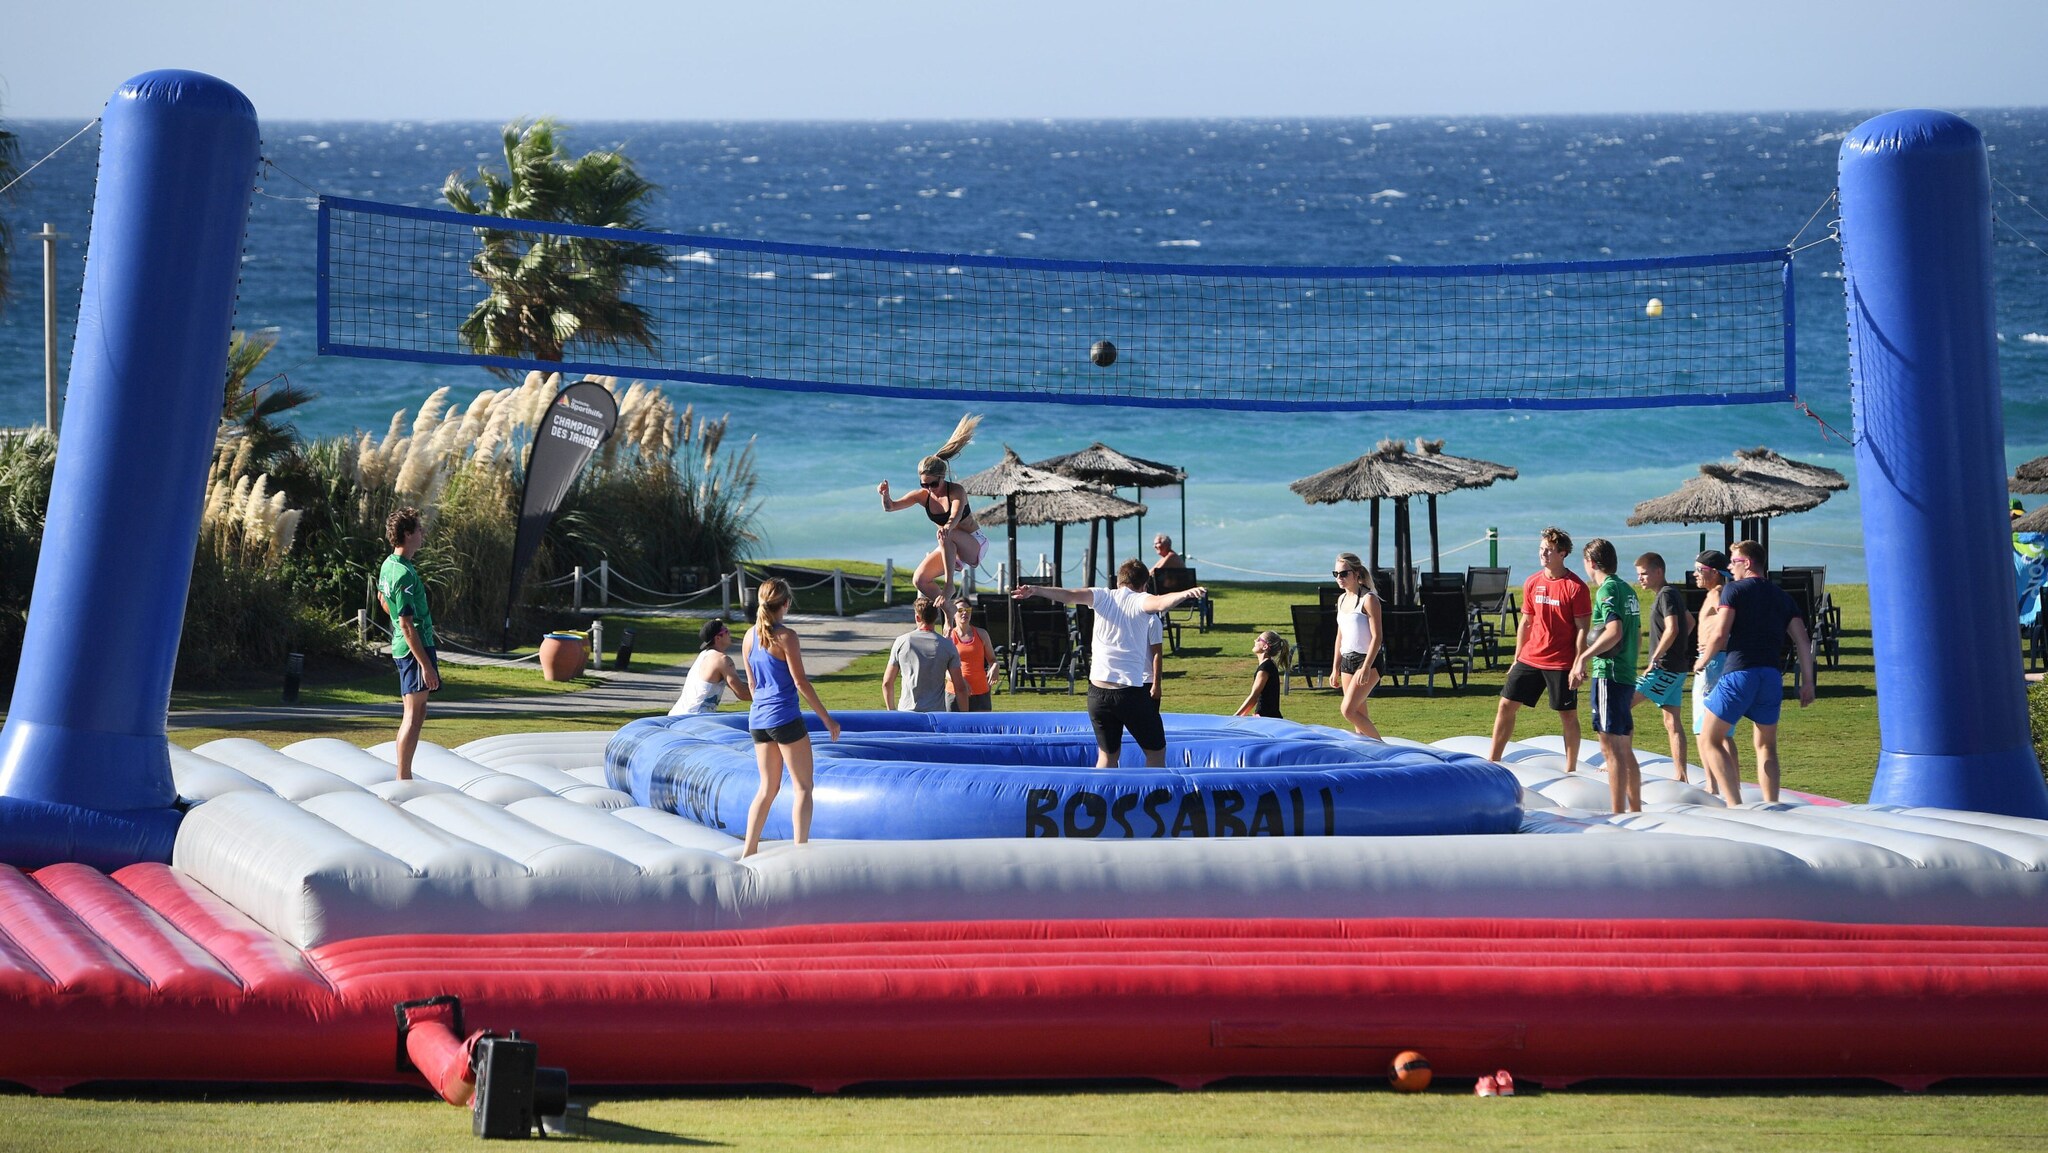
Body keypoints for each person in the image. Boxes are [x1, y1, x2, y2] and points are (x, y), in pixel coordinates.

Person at [1014, 559, 1207, 768]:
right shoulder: (1140, 600)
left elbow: (1069, 595)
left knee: (1107, 757)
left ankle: (1099, 791)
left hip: (1097, 693)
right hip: (1128, 693)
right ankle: (1151, 790)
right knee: (1156, 753)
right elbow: (1161, 602)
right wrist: (1185, 593)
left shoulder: (1102, 596)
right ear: (1144, 585)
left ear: (1118, 582)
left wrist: (1036, 590)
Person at [1694, 540, 1816, 806]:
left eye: (1733, 561)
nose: (1729, 567)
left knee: (1709, 738)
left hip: (1740, 672)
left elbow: (1721, 633)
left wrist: (1703, 660)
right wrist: (1808, 682)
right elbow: (1802, 641)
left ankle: (1735, 805)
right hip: (1770, 677)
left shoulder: (1733, 590)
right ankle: (1772, 805)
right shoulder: (1783, 597)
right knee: (1766, 746)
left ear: (1747, 563)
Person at [740, 578, 840, 858]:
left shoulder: (749, 637)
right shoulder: (786, 637)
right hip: (784, 717)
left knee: (767, 788)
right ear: (785, 603)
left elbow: (752, 685)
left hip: (758, 720)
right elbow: (800, 682)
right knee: (803, 787)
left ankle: (748, 851)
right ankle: (800, 851)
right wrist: (827, 720)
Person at [1487, 527, 1592, 772]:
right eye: (1541, 549)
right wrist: (1517, 658)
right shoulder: (1533, 582)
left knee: (1567, 715)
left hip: (1561, 662)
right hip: (1531, 657)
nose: (1543, 554)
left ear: (1563, 553)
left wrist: (1579, 664)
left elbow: (1582, 630)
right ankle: (1493, 761)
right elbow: (1526, 622)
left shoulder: (1576, 587)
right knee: (1505, 705)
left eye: (1549, 550)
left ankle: (1571, 770)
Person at [877, 414, 986, 610]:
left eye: (933, 484)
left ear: (943, 477)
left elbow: (955, 515)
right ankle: (949, 612)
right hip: (948, 545)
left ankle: (949, 585)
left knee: (947, 533)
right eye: (924, 485)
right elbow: (890, 507)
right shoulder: (922, 496)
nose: (929, 489)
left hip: (973, 544)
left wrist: (947, 527)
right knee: (920, 579)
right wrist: (885, 495)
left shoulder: (956, 491)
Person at [1571, 538, 1642, 814]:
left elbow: (1615, 631)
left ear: (1590, 562)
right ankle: (1634, 810)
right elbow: (1634, 634)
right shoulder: (1628, 589)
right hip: (1626, 674)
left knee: (1610, 748)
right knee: (1624, 747)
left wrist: (1583, 658)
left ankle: (1617, 814)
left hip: (1609, 675)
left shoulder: (1607, 590)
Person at [377, 506, 439, 782]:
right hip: (415, 648)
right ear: (407, 534)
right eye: (418, 529)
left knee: (418, 712)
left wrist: (396, 618)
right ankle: (403, 778)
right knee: (413, 716)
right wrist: (426, 665)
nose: (423, 532)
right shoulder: (402, 573)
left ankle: (405, 775)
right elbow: (405, 623)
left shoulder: (389, 565)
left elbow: (383, 599)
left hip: (409, 646)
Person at [1630, 552, 1695, 783]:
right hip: (1676, 668)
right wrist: (1677, 647)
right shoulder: (1671, 593)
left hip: (1664, 668)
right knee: (1671, 722)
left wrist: (1656, 656)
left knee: (1621, 705)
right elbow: (1690, 622)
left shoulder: (1666, 595)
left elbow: (1673, 628)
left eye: (1644, 574)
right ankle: (1681, 775)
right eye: (1638, 574)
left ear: (1659, 572)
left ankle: (1619, 762)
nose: (1640, 578)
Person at [1689, 551, 1740, 790]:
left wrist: (1706, 657)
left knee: (1703, 729)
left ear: (1715, 573)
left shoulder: (1718, 594)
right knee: (1723, 730)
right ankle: (1733, 783)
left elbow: (1725, 629)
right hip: (1718, 660)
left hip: (1712, 663)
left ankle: (1712, 784)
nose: (1695, 574)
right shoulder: (1719, 593)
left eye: (1700, 570)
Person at [1328, 553, 1384, 739]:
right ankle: (1369, 751)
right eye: (1336, 574)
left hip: (1367, 660)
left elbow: (1377, 637)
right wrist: (1335, 668)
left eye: (1344, 573)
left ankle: (1383, 748)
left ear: (1356, 573)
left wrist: (1366, 666)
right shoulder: (1341, 600)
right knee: (1358, 719)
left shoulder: (1369, 599)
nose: (1339, 578)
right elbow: (1340, 636)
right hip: (1347, 661)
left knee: (1348, 710)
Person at [883, 595, 969, 712]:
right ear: (936, 617)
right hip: (935, 714)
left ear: (917, 617)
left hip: (907, 711)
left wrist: (891, 711)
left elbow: (887, 683)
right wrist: (964, 716)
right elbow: (960, 688)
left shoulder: (902, 642)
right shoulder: (947, 646)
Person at [668, 619, 752, 715]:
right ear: (718, 638)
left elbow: (736, 685)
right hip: (693, 718)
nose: (729, 633)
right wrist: (765, 693)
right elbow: (743, 693)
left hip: (677, 714)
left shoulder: (704, 655)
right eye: (726, 631)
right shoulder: (722, 660)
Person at [947, 598, 997, 711]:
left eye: (968, 610)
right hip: (956, 692)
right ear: (953, 614)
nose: (964, 613)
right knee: (955, 722)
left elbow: (992, 659)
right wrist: (959, 681)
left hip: (980, 691)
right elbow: (944, 669)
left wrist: (995, 666)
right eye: (960, 610)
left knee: (982, 722)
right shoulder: (949, 637)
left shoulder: (982, 634)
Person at [1234, 631, 1290, 719]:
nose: (1255, 640)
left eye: (1259, 639)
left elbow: (1254, 697)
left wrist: (1235, 717)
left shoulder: (1265, 668)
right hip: (1267, 717)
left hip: (1266, 718)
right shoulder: (1268, 665)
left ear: (1265, 646)